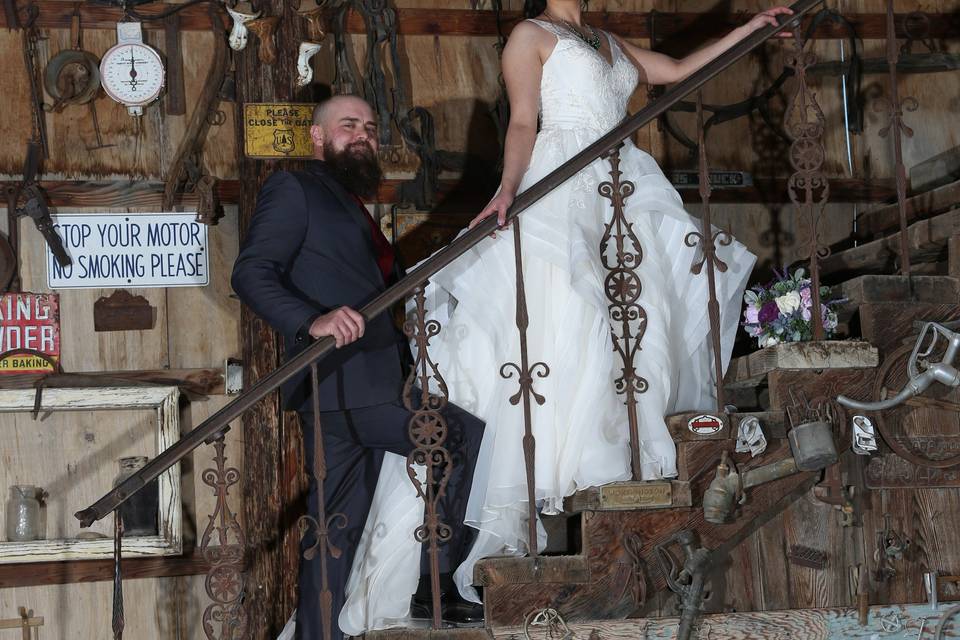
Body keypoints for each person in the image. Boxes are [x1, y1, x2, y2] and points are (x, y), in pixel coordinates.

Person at [342, 0, 792, 631]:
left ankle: (607, 460)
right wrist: (507, 191)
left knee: (627, 322)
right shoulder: (531, 36)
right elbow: (524, 121)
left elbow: (675, 69)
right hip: (562, 180)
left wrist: (748, 30)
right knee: (563, 322)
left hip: (618, 185)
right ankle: (483, 539)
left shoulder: (607, 41)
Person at [230, 95, 485, 640]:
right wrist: (312, 321)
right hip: (347, 380)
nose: (363, 135)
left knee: (334, 530)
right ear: (318, 138)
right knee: (455, 435)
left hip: (349, 390)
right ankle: (434, 585)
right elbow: (251, 273)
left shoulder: (350, 204)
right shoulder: (294, 188)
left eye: (370, 127)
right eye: (349, 126)